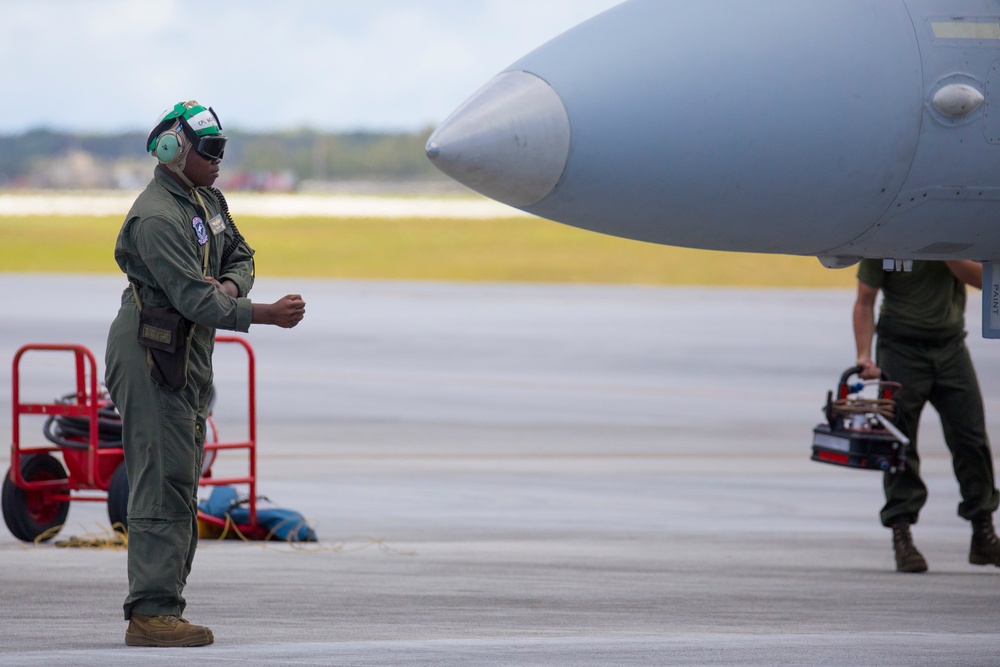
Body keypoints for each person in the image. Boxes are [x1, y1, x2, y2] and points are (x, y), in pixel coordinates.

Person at [105, 100, 306, 646]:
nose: (220, 159)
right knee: (161, 480)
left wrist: (234, 286)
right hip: (151, 350)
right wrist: (263, 313)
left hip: (185, 351)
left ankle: (165, 605)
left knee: (181, 478)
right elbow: (195, 299)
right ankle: (151, 613)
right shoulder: (156, 217)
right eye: (211, 149)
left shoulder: (206, 200)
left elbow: (240, 254)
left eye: (223, 148)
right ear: (175, 152)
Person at [853, 259, 1000, 573]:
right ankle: (901, 534)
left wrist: (947, 250)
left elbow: (983, 280)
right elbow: (865, 300)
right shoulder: (890, 233)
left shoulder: (950, 234)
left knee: (972, 439)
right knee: (899, 444)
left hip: (950, 347)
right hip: (900, 348)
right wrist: (864, 355)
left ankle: (983, 533)